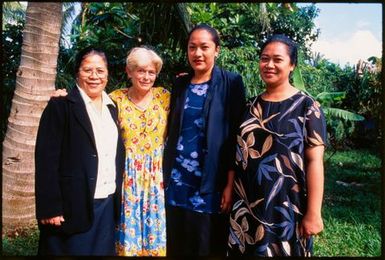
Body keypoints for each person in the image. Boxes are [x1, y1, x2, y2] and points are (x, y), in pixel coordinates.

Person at [227, 34, 327, 256]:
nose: (269, 65)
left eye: (277, 59)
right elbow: (236, 155)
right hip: (246, 206)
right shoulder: (248, 106)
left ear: (292, 65)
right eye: (264, 58)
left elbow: (314, 162)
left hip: (287, 208)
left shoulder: (307, 107)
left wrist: (313, 212)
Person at [163, 24, 246, 256]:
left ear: (216, 50)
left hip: (211, 181)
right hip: (177, 179)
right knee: (177, 242)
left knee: (206, 244)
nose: (197, 53)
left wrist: (229, 185)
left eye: (204, 47)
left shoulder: (231, 83)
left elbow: (234, 138)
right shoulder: (180, 83)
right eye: (192, 48)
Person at [35, 47, 125, 255]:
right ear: (77, 72)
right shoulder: (61, 105)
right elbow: (46, 160)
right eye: (87, 70)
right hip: (71, 206)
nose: (94, 76)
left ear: (107, 73)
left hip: (106, 203)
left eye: (100, 71)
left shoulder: (112, 107)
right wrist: (50, 208)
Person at [110, 47, 170, 256]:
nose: (146, 77)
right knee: (128, 237)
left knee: (156, 234)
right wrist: (60, 96)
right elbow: (87, 108)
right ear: (129, 71)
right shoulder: (115, 99)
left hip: (157, 178)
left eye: (151, 72)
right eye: (141, 71)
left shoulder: (165, 97)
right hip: (128, 178)